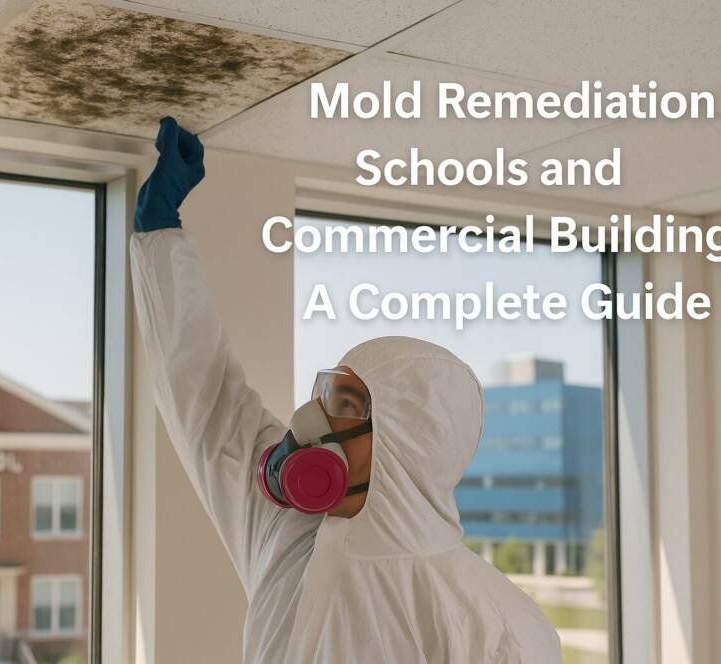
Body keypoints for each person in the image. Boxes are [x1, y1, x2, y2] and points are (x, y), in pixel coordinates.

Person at [130, 117, 561, 663]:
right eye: (324, 395)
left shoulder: (496, 625)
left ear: (406, 446)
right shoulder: (287, 530)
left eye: (345, 406)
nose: (311, 421)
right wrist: (159, 233)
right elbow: (207, 398)